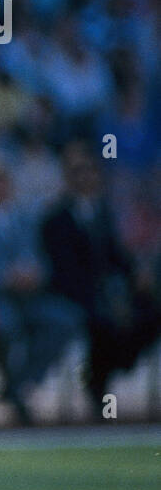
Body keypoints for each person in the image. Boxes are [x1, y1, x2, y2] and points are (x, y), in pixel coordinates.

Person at [0, 151, 80, 424]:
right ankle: (14, 390)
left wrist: (34, 274)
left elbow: (41, 259)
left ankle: (18, 386)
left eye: (1, 181)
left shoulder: (26, 219)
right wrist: (3, 277)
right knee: (3, 325)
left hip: (28, 297)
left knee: (65, 320)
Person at [40, 140, 161, 411]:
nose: (86, 177)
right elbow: (64, 269)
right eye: (78, 171)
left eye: (90, 170)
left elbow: (116, 256)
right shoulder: (55, 217)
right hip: (75, 294)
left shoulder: (102, 212)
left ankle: (114, 366)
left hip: (108, 292)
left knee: (150, 314)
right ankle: (97, 383)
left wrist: (136, 275)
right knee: (102, 322)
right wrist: (102, 297)